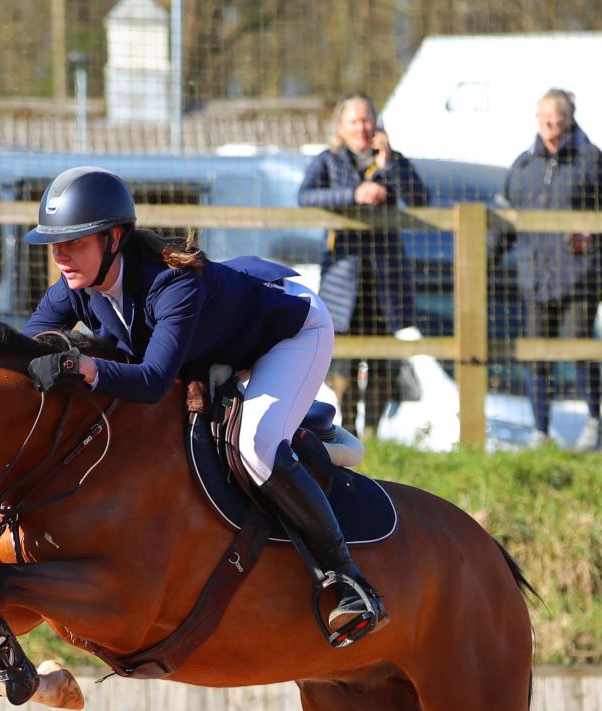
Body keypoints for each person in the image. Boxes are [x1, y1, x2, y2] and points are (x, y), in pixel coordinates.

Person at [20, 165, 387, 646]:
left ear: (114, 238)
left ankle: (348, 581)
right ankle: (299, 427)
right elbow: (25, 348)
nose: (61, 256)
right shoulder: (76, 286)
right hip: (219, 344)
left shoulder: (172, 284)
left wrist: (84, 368)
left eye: (75, 242)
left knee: (255, 446)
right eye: (54, 245)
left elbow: (152, 381)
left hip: (290, 331)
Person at [496, 88, 602, 450]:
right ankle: (540, 432)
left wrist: (593, 232)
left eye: (558, 120)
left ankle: (594, 424)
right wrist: (480, 262)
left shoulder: (591, 159)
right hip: (537, 278)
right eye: (545, 120)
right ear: (537, 121)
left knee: (580, 347)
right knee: (537, 355)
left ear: (570, 120)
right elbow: (504, 221)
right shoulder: (524, 166)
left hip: (581, 277)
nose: (552, 127)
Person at [297, 94, 430, 435]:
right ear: (341, 127)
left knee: (384, 354)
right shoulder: (329, 161)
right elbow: (305, 196)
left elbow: (421, 198)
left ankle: (373, 432)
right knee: (343, 355)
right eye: (354, 121)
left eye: (367, 120)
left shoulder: (393, 161)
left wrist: (390, 165)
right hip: (343, 276)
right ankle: (348, 426)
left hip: (386, 275)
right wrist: (354, 195)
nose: (362, 127)